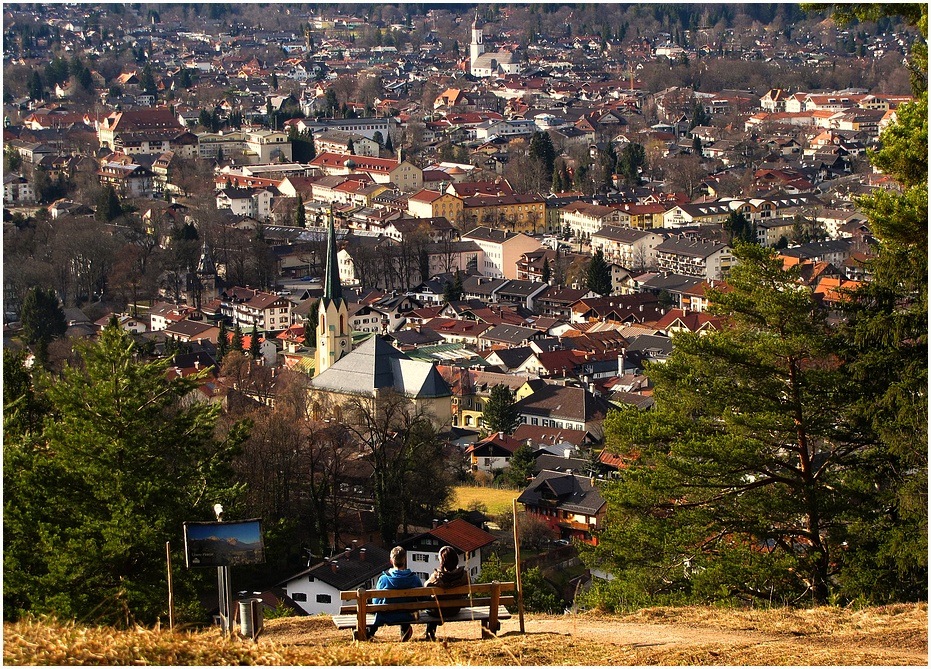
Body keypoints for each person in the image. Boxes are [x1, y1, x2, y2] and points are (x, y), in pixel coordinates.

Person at [366, 546, 422, 642]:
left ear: (391, 561)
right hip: (408, 615)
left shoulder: (384, 579)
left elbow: (376, 601)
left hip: (386, 615)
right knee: (404, 605)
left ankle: (370, 633)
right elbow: (422, 597)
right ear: (404, 560)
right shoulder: (414, 579)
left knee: (380, 607)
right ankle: (405, 630)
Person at [421, 545, 470, 641]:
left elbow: (426, 587)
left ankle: (430, 632)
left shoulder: (436, 577)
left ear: (441, 562)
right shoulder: (464, 575)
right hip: (455, 609)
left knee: (431, 602)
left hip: (437, 612)